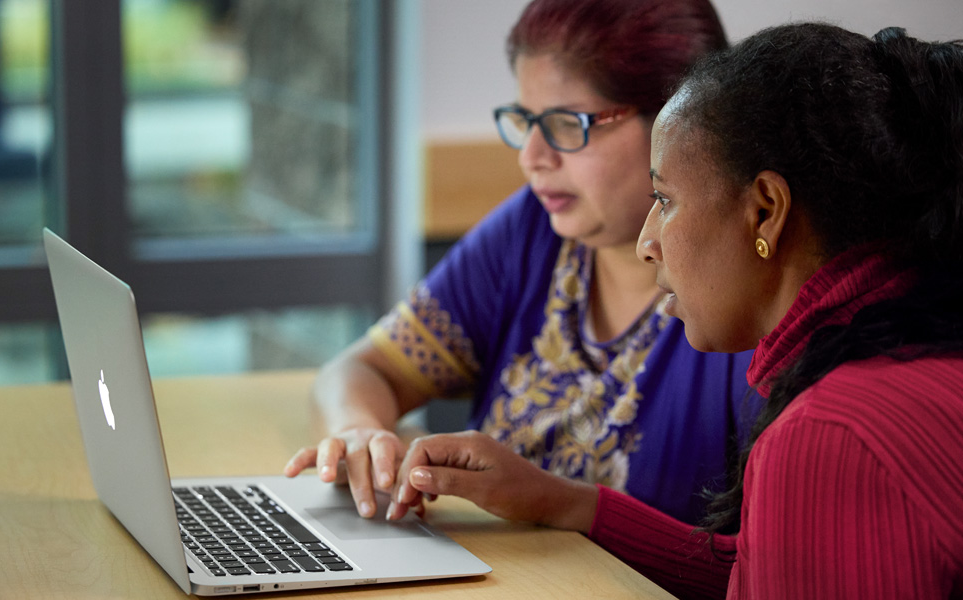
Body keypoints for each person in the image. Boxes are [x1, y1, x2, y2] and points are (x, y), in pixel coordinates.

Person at [388, 22, 963, 599]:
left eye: (664, 199)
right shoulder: (912, 340)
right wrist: (563, 502)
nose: (647, 242)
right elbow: (767, 569)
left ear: (766, 211)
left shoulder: (826, 432)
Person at [284, 0, 756, 528]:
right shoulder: (535, 229)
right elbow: (358, 371)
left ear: (680, 122)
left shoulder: (742, 294)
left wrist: (559, 503)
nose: (532, 156)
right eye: (527, 121)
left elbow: (755, 566)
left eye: (565, 124)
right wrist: (359, 434)